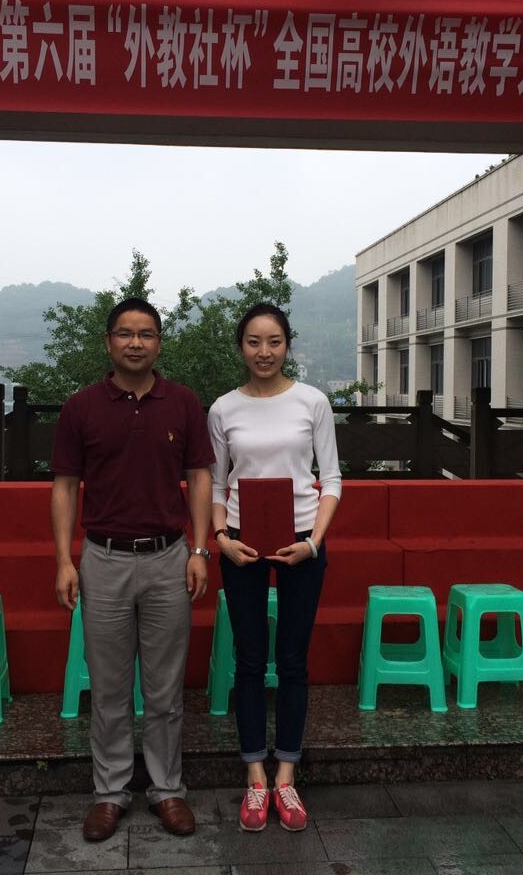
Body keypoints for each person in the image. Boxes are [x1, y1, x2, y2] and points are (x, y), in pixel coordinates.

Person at [51, 297, 214, 843]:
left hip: (170, 557)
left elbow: (200, 476)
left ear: (159, 343)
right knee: (109, 687)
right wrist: (64, 560)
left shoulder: (183, 403)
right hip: (103, 560)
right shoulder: (81, 407)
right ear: (108, 342)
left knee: (165, 688)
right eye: (125, 333)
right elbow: (65, 487)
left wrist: (199, 550)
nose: (136, 343)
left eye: (146, 334)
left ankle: (167, 789)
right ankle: (110, 792)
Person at [207, 302, 342, 833]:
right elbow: (217, 484)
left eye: (274, 341)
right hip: (242, 541)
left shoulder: (312, 401)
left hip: (302, 540)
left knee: (291, 660)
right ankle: (255, 776)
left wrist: (314, 542)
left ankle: (286, 772)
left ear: (288, 345)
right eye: (254, 342)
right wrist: (222, 539)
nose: (264, 352)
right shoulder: (223, 409)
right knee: (248, 659)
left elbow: (331, 480)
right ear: (240, 347)